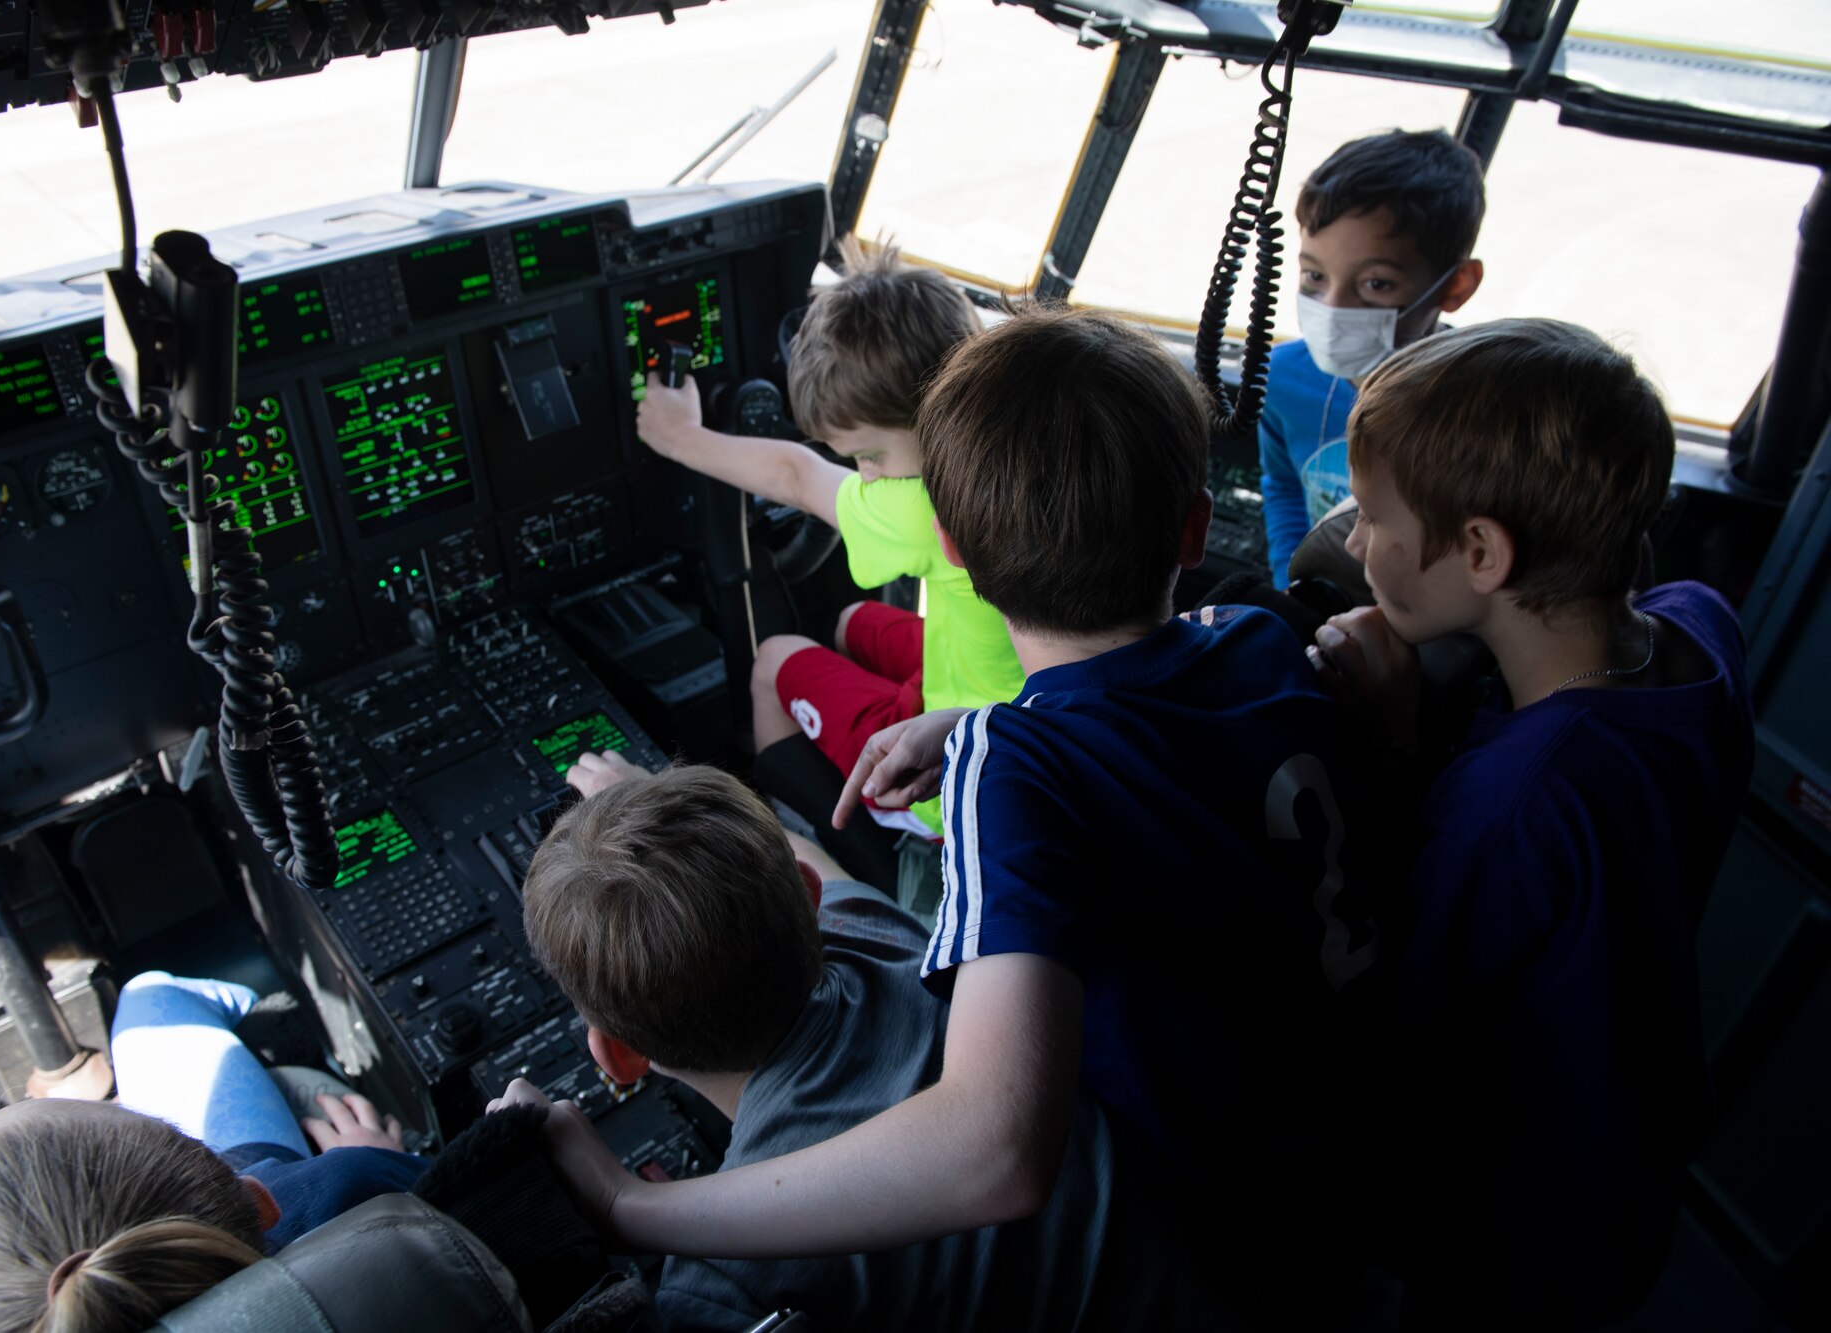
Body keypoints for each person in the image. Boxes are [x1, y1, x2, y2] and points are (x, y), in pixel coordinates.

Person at [503, 307, 1388, 1328]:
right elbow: (1146, 698)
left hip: (1227, 1218)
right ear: (1193, 527)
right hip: (1345, 1131)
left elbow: (995, 1152)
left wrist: (627, 1204)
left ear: (951, 549)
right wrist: (973, 716)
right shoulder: (1252, 635)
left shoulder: (1008, 769)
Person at [1310, 319, 1753, 1327]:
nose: (1349, 536)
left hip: (1510, 1215)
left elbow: (1397, 996)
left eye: (1372, 517)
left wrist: (1383, 749)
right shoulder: (1698, 620)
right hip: (1631, 1161)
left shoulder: (1512, 801)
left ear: (1478, 549)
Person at [522, 754, 1179, 1331]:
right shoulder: (874, 935)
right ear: (812, 902)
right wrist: (655, 803)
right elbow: (811, 872)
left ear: (618, 1055)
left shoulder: (723, 1282)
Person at [634, 238, 1022, 836]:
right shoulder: (1018, 441)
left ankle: (801, 833)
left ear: (932, 411)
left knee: (772, 659)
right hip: (1003, 691)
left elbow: (796, 475)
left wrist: (680, 436)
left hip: (957, 770)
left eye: (869, 454)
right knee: (852, 621)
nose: (865, 475)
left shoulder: (927, 508)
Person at [0, 973, 422, 1331]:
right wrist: (368, 1162)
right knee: (148, 996)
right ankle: (238, 1003)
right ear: (258, 1200)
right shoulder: (349, 1190)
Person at [1261, 128, 1486, 589]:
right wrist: (1291, 585)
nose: (1334, 306)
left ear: (1454, 287)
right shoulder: (1281, 379)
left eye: (1376, 284)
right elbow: (1284, 486)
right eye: (1314, 275)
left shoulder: (1478, 397)